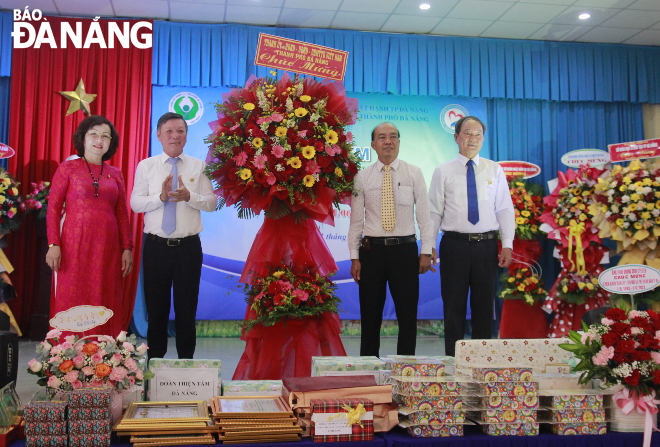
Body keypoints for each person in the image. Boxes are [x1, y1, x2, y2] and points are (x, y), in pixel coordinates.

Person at [130, 112, 217, 359]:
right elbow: (136, 203)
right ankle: (155, 367)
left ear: (187, 137)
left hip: (188, 248)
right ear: (159, 135)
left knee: (186, 309)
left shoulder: (200, 166)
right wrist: (160, 197)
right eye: (169, 131)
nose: (175, 135)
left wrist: (190, 197)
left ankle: (186, 367)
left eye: (180, 131)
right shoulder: (146, 166)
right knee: (156, 310)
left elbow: (211, 203)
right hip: (156, 248)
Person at [428, 116, 515, 356]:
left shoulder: (494, 169)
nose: (473, 138)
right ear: (456, 137)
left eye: (478, 134)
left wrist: (506, 243)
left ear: (483, 139)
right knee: (453, 308)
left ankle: (481, 363)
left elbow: (505, 208)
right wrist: (428, 245)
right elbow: (433, 210)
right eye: (467, 133)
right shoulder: (443, 170)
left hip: (486, 246)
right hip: (453, 245)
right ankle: (453, 363)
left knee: (484, 308)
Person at [348, 122, 435, 357]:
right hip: (372, 253)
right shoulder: (362, 177)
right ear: (373, 144)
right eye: (382, 137)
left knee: (407, 316)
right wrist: (354, 257)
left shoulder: (414, 172)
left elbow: (425, 217)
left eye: (393, 136)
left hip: (405, 251)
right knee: (370, 315)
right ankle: (369, 371)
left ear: (399, 142)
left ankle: (405, 372)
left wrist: (426, 251)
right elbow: (356, 221)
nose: (388, 141)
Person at [46, 115, 134, 336]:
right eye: (93, 134)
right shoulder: (68, 169)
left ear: (110, 143)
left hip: (108, 249)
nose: (99, 139)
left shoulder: (116, 174)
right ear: (82, 139)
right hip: (73, 246)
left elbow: (122, 214)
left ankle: (105, 357)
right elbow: (54, 209)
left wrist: (127, 248)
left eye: (105, 136)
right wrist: (53, 244)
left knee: (105, 296)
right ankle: (67, 359)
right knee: (72, 297)